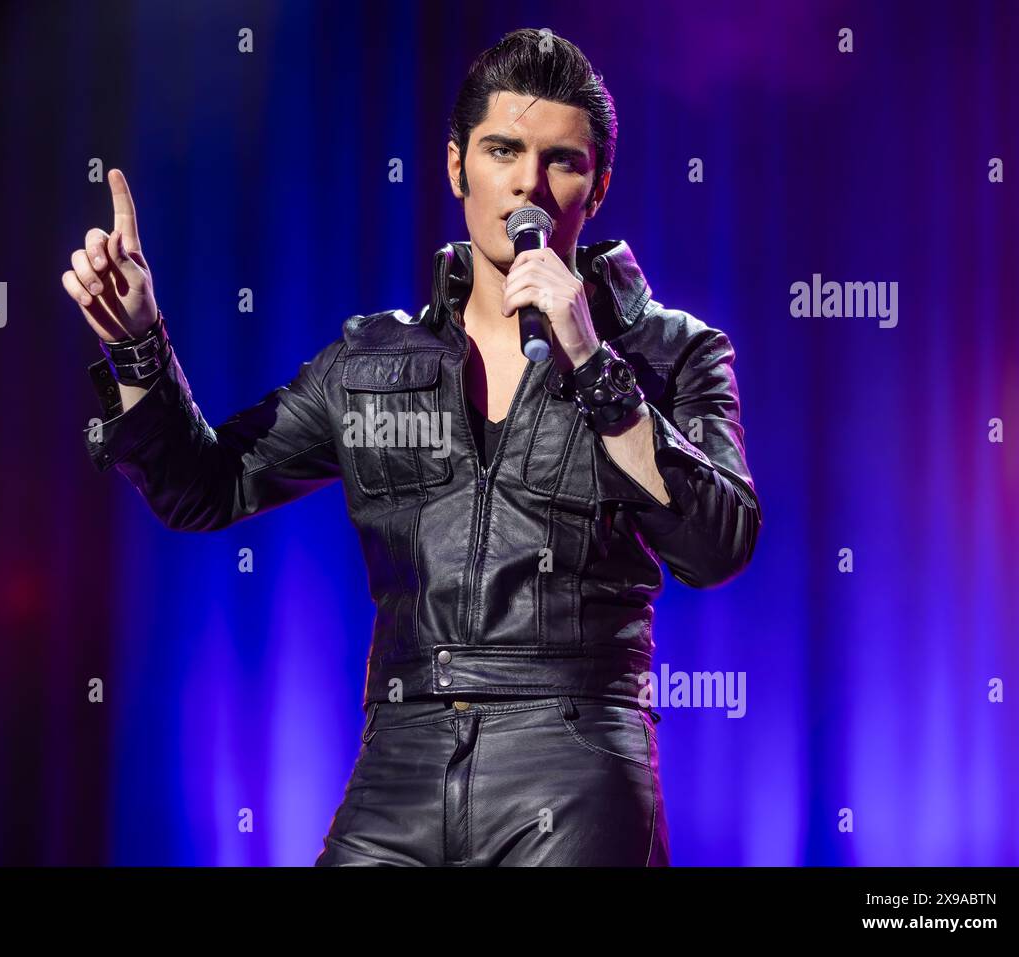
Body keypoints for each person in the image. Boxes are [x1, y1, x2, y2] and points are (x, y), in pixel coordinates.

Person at [63, 28, 761, 866]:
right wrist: (139, 343)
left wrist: (595, 365)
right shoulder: (371, 364)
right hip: (400, 756)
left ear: (597, 186)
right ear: (457, 165)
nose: (528, 185)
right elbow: (207, 487)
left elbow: (719, 543)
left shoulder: (671, 352)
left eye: (561, 161)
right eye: (503, 150)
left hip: (573, 761)